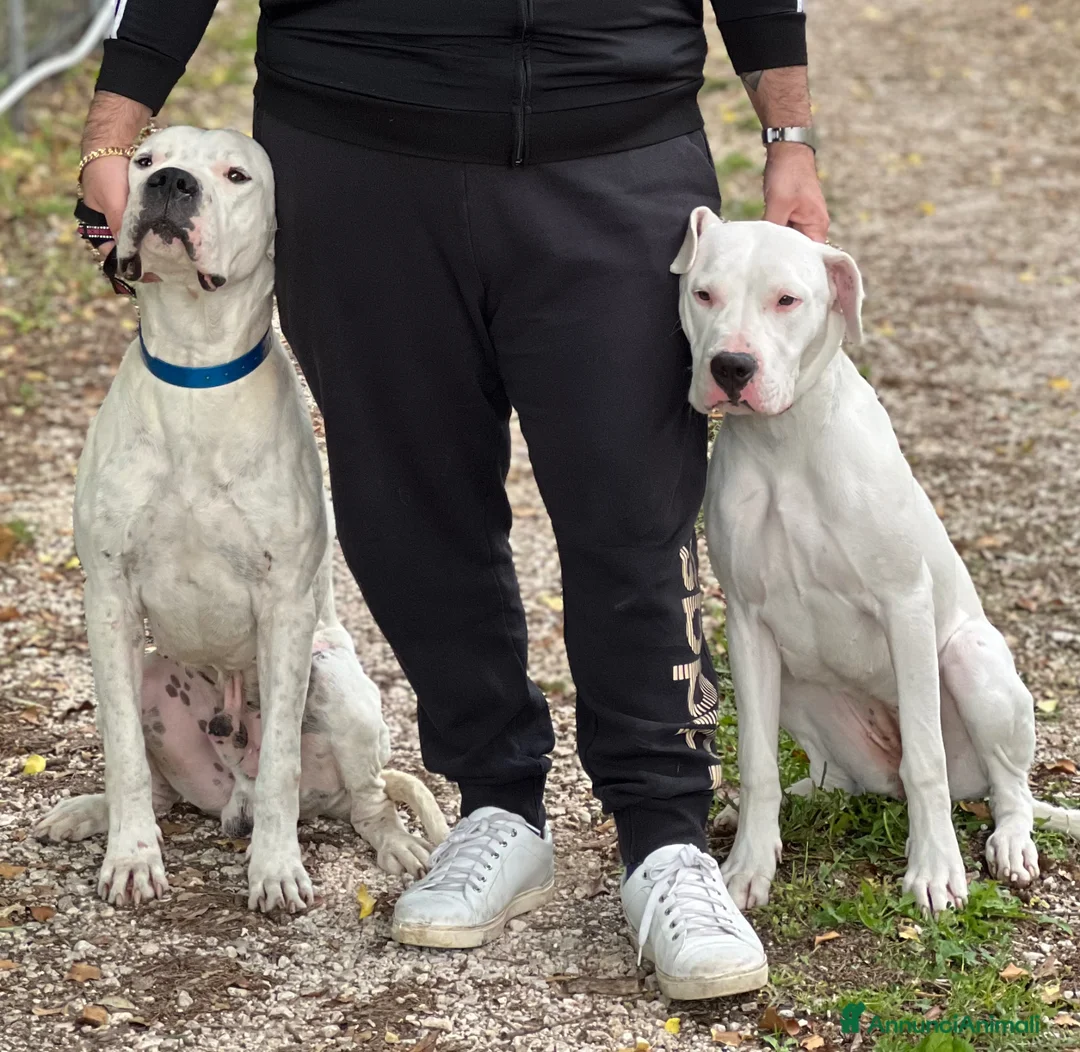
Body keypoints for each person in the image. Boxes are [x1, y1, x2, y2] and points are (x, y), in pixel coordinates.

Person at [77, 0, 828, 999]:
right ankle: (498, 805)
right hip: (355, 137)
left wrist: (790, 138)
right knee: (406, 500)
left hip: (613, 135)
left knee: (632, 497)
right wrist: (109, 136)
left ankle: (664, 841)